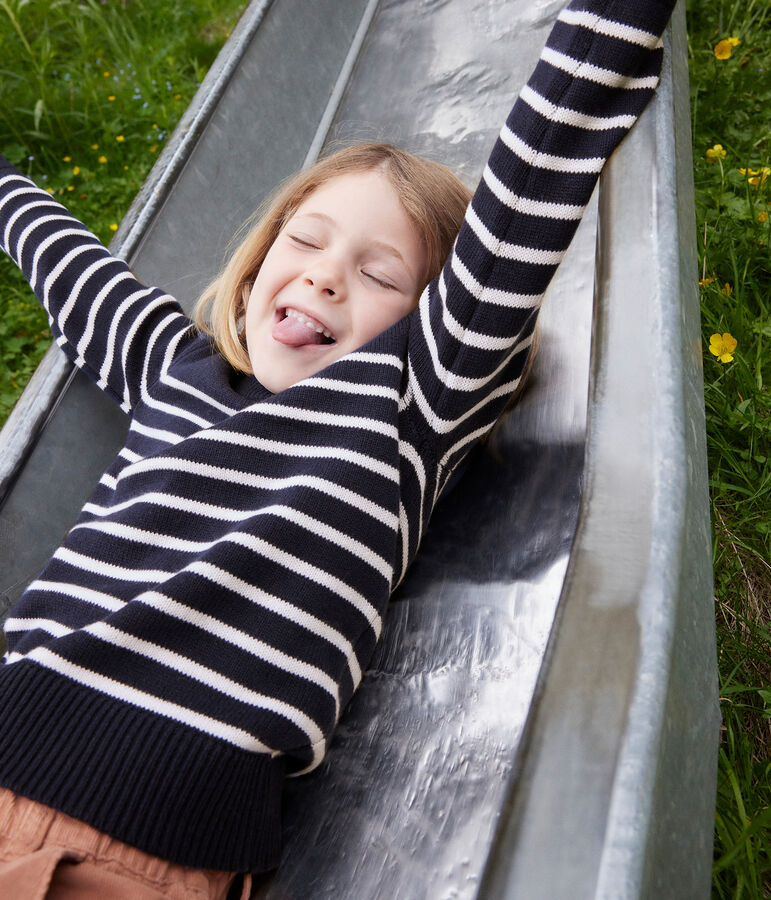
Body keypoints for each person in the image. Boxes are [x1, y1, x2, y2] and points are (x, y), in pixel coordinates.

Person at [0, 0, 676, 895]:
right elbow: (70, 269)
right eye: (306, 240)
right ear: (257, 263)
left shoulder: (405, 411)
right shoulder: (177, 366)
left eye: (378, 272)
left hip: (144, 845)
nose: (324, 272)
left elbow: (531, 186)